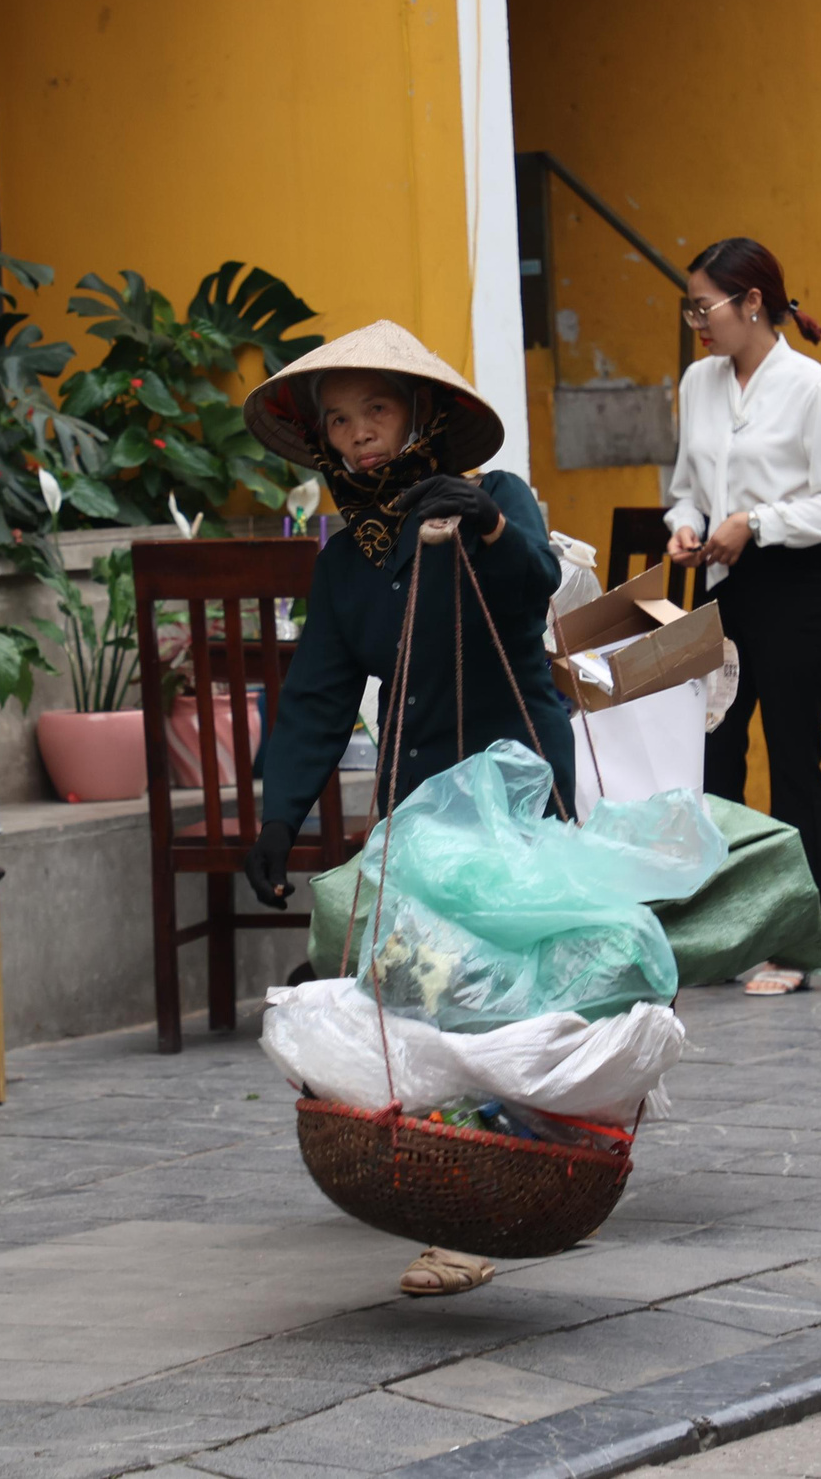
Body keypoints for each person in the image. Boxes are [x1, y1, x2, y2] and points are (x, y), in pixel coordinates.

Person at [237, 318, 573, 1297]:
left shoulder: (497, 502)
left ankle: (490, 1202)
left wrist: (484, 525)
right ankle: (457, 1174)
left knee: (496, 992)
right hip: (418, 797)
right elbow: (316, 695)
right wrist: (277, 813)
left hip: (512, 776)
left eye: (376, 410)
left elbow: (533, 588)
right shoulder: (347, 559)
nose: (357, 436)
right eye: (338, 420)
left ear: (421, 411)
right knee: (423, 994)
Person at [663, 239, 821, 998]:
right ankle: (723, 932)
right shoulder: (699, 382)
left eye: (703, 306)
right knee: (714, 754)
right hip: (720, 583)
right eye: (690, 307)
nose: (696, 323)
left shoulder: (814, 389)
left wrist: (758, 520)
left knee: (792, 760)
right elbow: (686, 486)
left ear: (752, 302)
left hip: (793, 584)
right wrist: (685, 524)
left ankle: (805, 945)